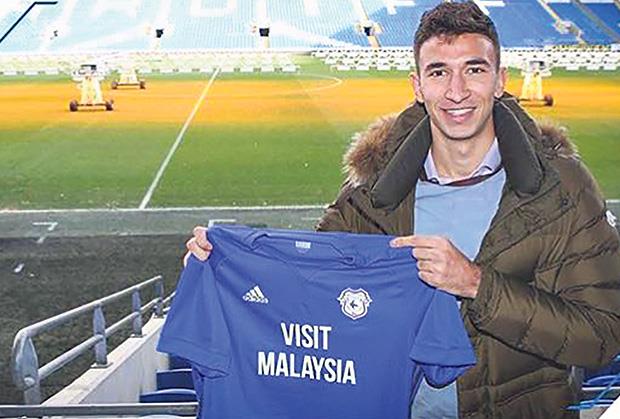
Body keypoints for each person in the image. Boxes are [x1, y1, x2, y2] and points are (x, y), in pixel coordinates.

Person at [186, 3, 620, 418]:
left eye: (474, 69)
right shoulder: (371, 195)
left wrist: (476, 285)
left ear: (500, 80)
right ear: (417, 86)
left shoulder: (561, 188)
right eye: (439, 72)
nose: (456, 91)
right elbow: (309, 292)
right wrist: (223, 268)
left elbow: (602, 335)